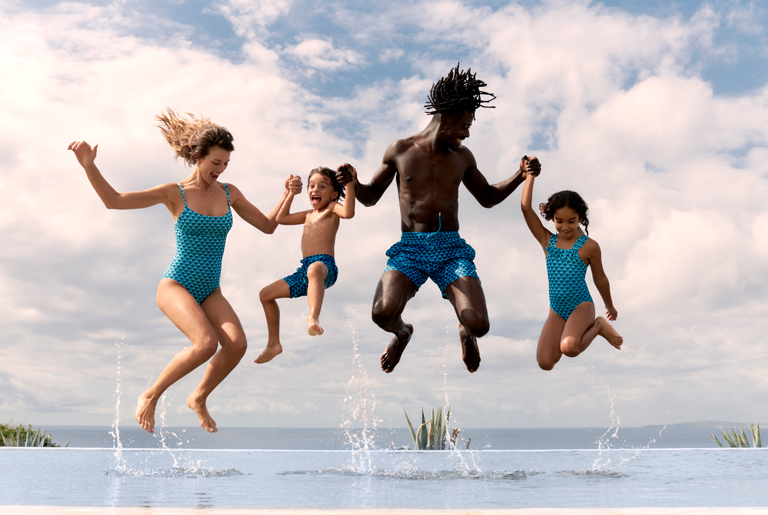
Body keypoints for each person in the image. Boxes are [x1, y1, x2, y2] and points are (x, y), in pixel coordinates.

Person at [69, 109, 291, 433]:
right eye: (216, 163)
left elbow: (268, 226)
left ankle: (198, 397)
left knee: (238, 344)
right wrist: (90, 166)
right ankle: (150, 395)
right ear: (198, 157)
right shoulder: (175, 193)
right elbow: (114, 200)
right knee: (205, 344)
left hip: (210, 289)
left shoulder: (230, 192)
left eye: (226, 164)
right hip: (177, 284)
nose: (221, 169)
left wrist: (288, 193)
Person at [336, 63, 540, 373]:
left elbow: (487, 198)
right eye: (464, 125)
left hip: (450, 250)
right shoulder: (401, 150)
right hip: (411, 249)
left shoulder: (462, 158)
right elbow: (371, 196)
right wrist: (353, 181)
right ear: (446, 118)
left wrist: (520, 175)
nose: (467, 132)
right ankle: (402, 333)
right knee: (382, 313)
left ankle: (466, 332)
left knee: (479, 324)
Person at [520, 164, 623, 370]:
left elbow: (600, 278)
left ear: (581, 219)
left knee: (570, 348)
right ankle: (569, 334)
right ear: (552, 218)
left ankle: (599, 325)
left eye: (571, 221)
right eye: (559, 221)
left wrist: (609, 305)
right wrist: (530, 176)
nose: (565, 227)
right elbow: (525, 208)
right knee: (545, 363)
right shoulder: (546, 240)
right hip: (556, 309)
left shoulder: (589, 246)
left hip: (580, 305)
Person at [254, 165, 356, 364]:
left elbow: (349, 212)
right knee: (265, 295)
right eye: (311, 186)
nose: (315, 190)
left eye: (322, 186)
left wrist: (350, 183)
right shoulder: (308, 215)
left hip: (325, 268)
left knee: (314, 268)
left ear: (334, 193)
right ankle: (273, 344)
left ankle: (313, 319)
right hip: (305, 271)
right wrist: (291, 193)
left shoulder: (332, 209)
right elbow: (281, 218)